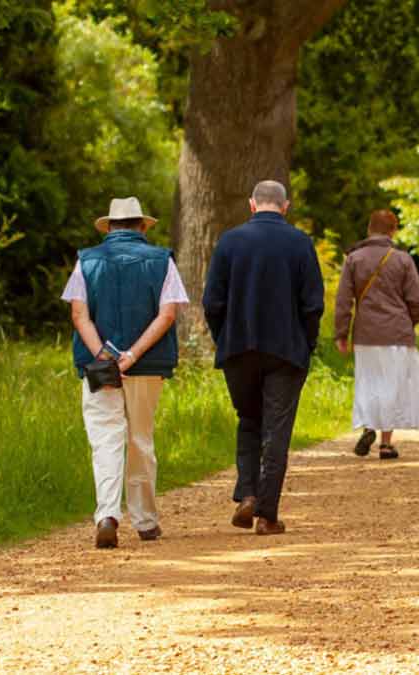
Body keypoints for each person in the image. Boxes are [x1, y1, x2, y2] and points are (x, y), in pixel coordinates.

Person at [63, 197, 188, 548]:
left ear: (109, 228)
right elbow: (167, 315)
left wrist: (104, 355)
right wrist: (131, 356)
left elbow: (79, 315)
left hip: (98, 365)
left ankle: (107, 515)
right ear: (142, 226)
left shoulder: (86, 261)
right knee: (140, 439)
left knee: (105, 438)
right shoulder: (162, 260)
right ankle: (145, 521)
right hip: (146, 365)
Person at [202, 180, 324, 536]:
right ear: (285, 207)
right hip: (286, 350)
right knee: (277, 429)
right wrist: (307, 344)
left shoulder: (229, 241)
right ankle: (267, 514)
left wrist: (224, 338)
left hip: (239, 348)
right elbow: (313, 304)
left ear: (252, 204)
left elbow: (212, 303)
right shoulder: (300, 243)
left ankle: (248, 494)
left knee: (249, 420)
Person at [334, 209, 419, 460]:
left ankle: (368, 427)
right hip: (397, 332)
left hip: (366, 334)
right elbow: (415, 299)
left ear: (369, 229)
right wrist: (411, 322)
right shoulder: (403, 260)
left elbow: (344, 300)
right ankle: (386, 444)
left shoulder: (353, 259)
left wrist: (341, 333)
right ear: (393, 231)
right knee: (392, 385)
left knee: (369, 382)